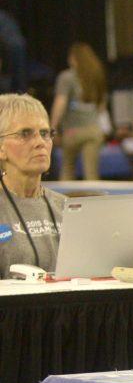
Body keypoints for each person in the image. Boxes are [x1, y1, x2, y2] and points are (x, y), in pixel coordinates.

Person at [0, 94, 67, 278]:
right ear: (1, 149)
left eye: (45, 133)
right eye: (25, 134)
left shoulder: (67, 208)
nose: (40, 143)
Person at [50, 42, 107, 181]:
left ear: (73, 58)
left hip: (73, 132)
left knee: (68, 169)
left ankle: (64, 201)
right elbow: (101, 106)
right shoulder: (96, 76)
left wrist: (52, 126)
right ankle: (95, 201)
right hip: (94, 130)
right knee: (91, 173)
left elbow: (60, 103)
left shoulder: (66, 77)